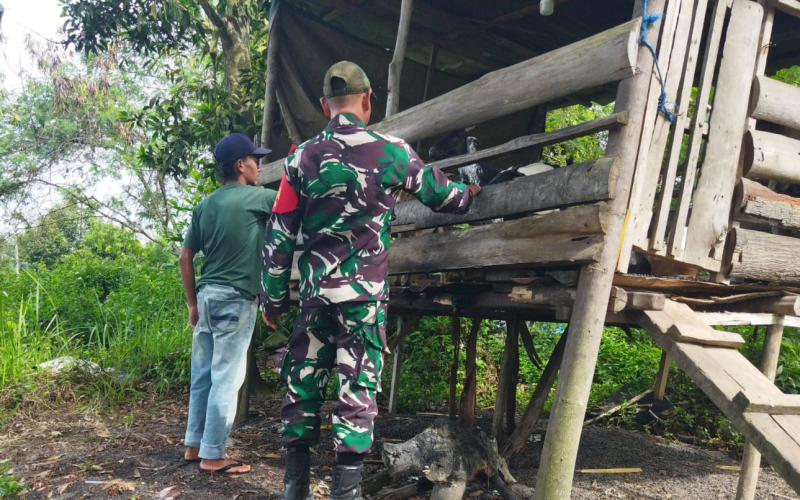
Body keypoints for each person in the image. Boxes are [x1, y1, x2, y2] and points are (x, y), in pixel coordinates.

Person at [261, 61, 481, 500]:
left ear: (325, 105)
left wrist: (272, 299)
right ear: (367, 101)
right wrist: (469, 194)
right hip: (363, 297)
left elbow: (280, 230)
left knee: (302, 383)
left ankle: (294, 490)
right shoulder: (393, 151)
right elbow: (443, 197)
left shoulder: (300, 158)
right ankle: (345, 494)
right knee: (356, 388)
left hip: (315, 295)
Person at [179, 133, 277, 475]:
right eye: (256, 160)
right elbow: (297, 209)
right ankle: (213, 455)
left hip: (205, 298)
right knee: (226, 378)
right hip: (236, 298)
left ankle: (194, 446)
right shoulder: (259, 198)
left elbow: (186, 257)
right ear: (240, 165)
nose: (259, 167)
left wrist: (192, 304)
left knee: (203, 376)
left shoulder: (205, 204)